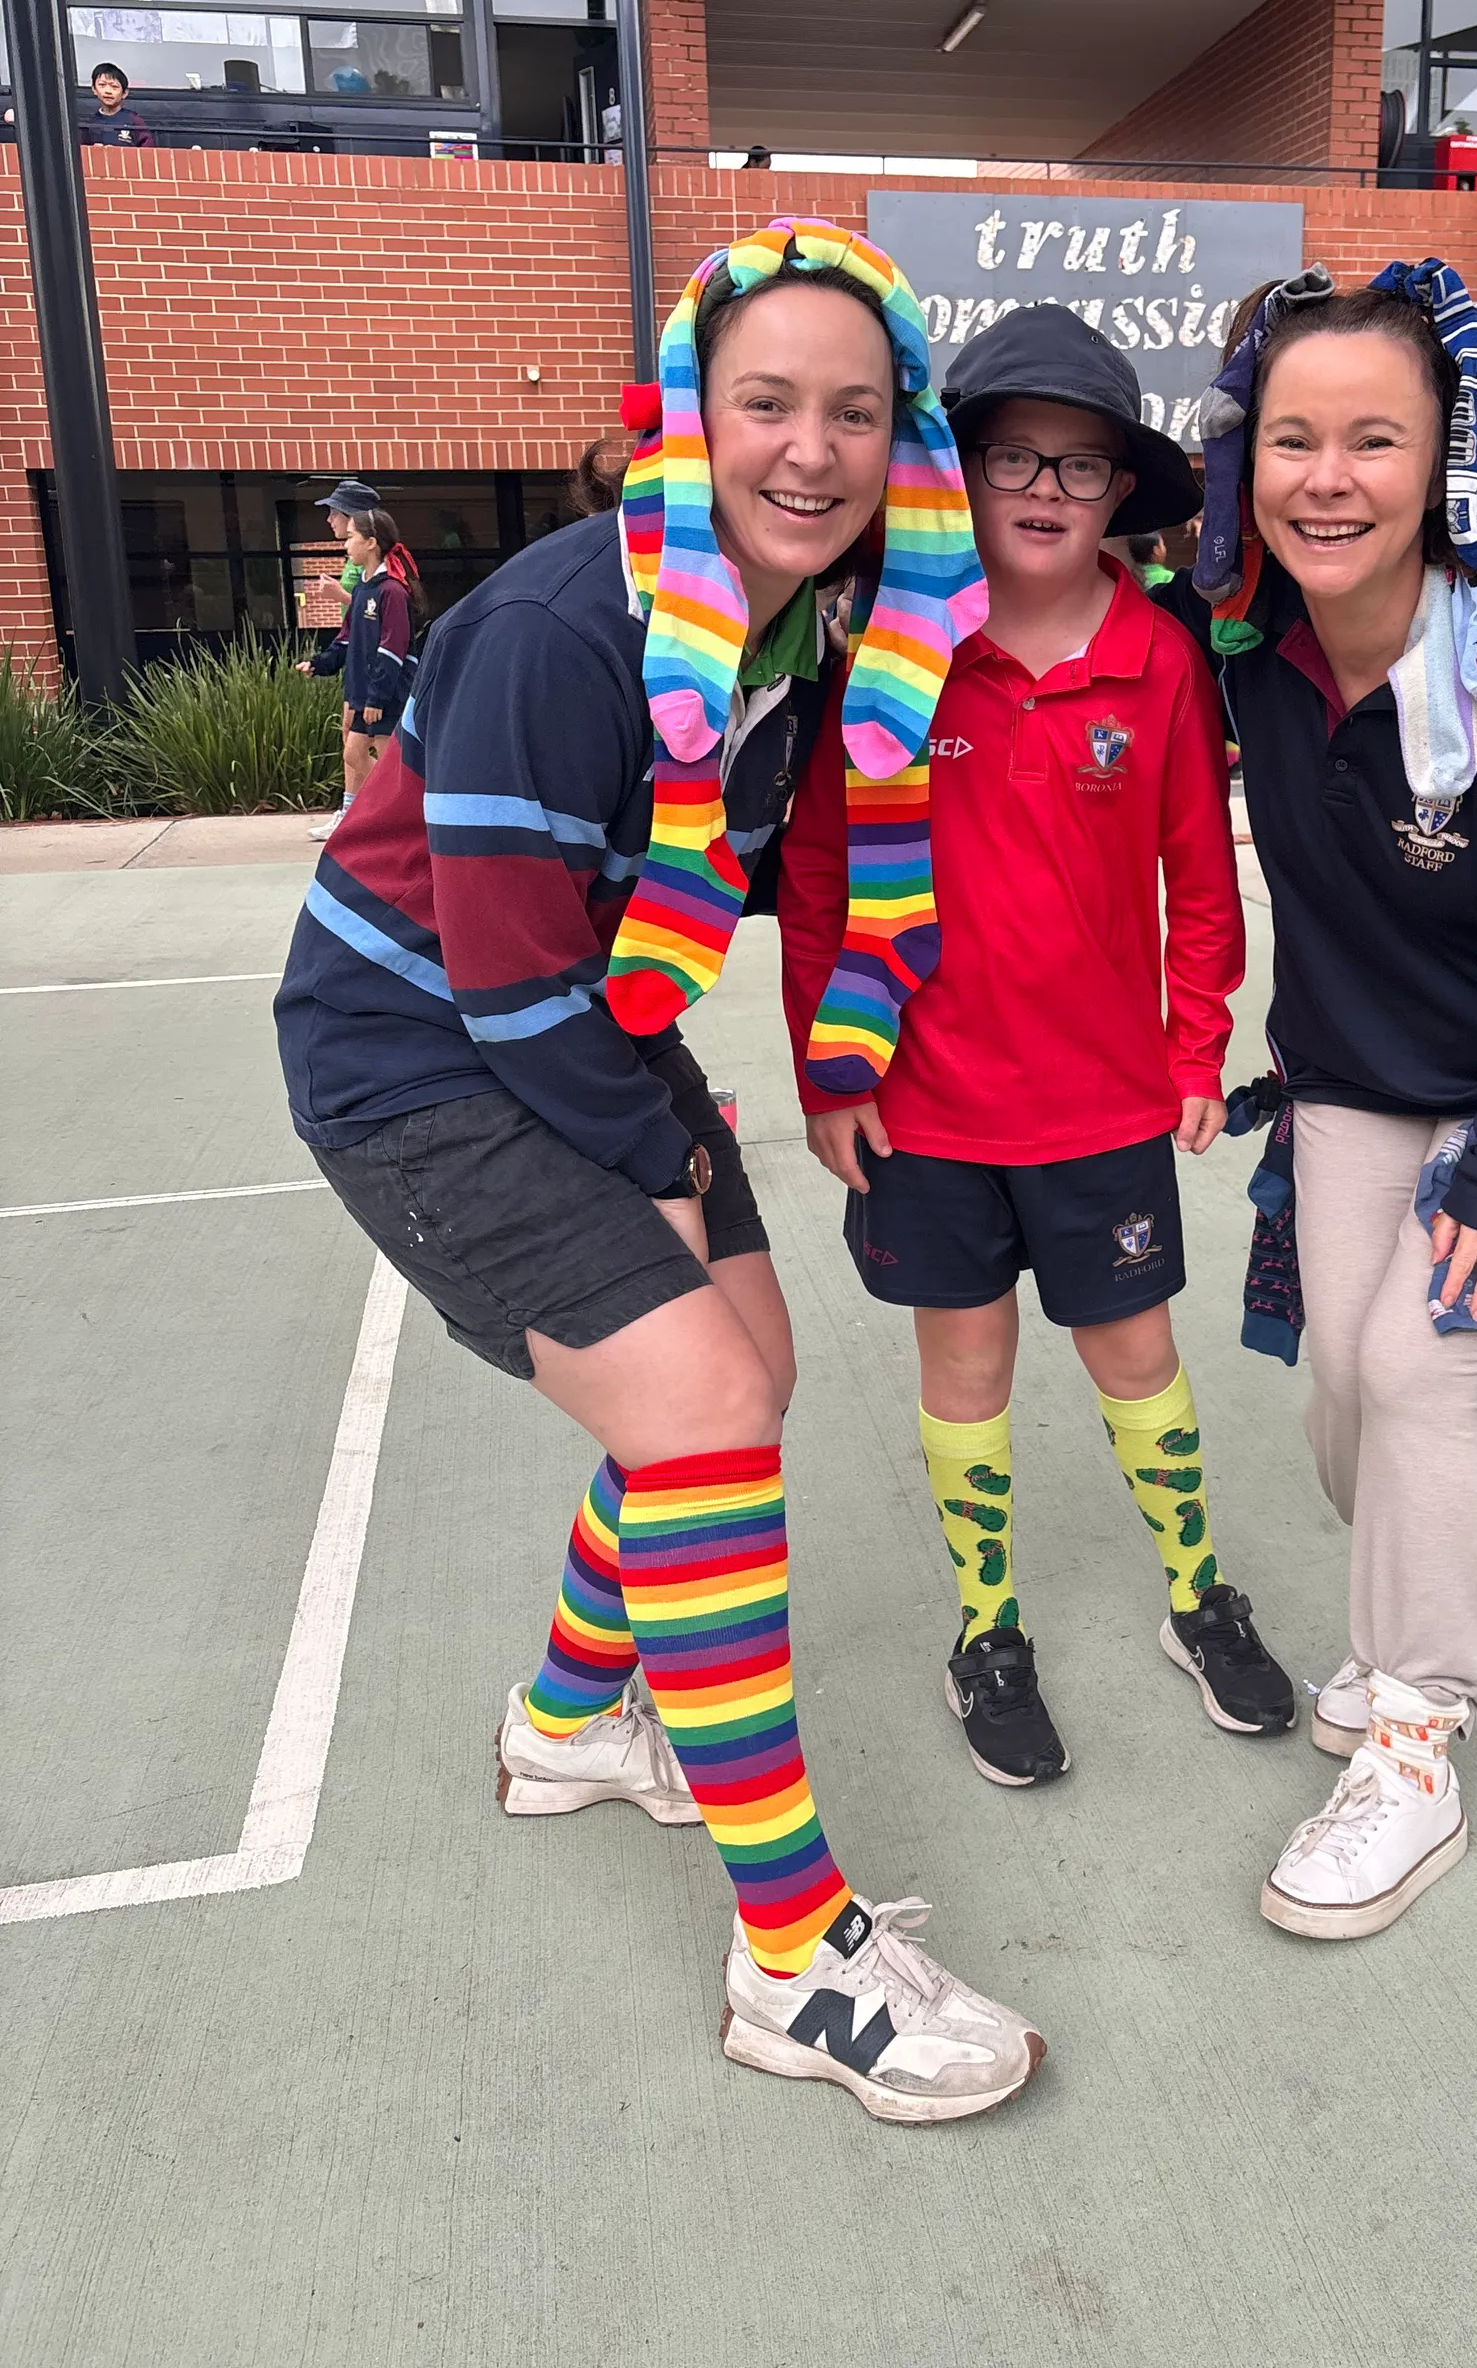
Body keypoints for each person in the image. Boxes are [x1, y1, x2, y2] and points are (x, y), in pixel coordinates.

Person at [273, 220, 1044, 2123]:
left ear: (900, 437)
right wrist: (673, 1182)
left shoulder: (805, 626)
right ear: (693, 416)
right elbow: (507, 987)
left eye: (855, 412)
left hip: (588, 1028)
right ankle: (792, 1955)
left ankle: (564, 1723)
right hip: (416, 1063)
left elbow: (785, 897)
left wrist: (840, 1068)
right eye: (768, 400)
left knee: (750, 1372)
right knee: (703, 1403)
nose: (812, 446)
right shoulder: (558, 629)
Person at [1167, 259, 1477, 1938]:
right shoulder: (1245, 652)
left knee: (1423, 1372)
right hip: (1350, 1088)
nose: (1327, 477)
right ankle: (1394, 1626)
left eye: (1373, 438)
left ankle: (1422, 1737)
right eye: (1292, 438)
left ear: (1445, 450)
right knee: (1342, 1413)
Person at [780, 305, 1290, 1789]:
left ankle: (1200, 1597)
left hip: (1103, 1104)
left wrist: (1196, 1047)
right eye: (1016, 455)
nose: (1049, 489)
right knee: (966, 1361)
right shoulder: (888, 650)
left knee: (1139, 1354)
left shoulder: (1160, 663)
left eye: (1081, 462)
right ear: (966, 471)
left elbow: (1203, 877)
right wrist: (832, 1069)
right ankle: (986, 1628)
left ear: (1120, 489)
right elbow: (815, 877)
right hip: (924, 1109)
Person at [299, 507, 421, 839]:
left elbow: (392, 649)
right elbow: (347, 639)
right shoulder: (364, 590)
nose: (345, 544)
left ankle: (403, 818)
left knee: (378, 758)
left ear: (370, 543)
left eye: (351, 537)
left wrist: (377, 697)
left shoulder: (392, 591)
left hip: (387, 692)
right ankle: (400, 815)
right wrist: (319, 663)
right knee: (365, 756)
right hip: (366, 692)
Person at [78, 62, 153, 148]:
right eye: (102, 85)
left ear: (124, 93)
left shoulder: (134, 121)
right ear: (94, 89)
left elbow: (147, 152)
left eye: (114, 87)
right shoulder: (90, 124)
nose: (108, 91)